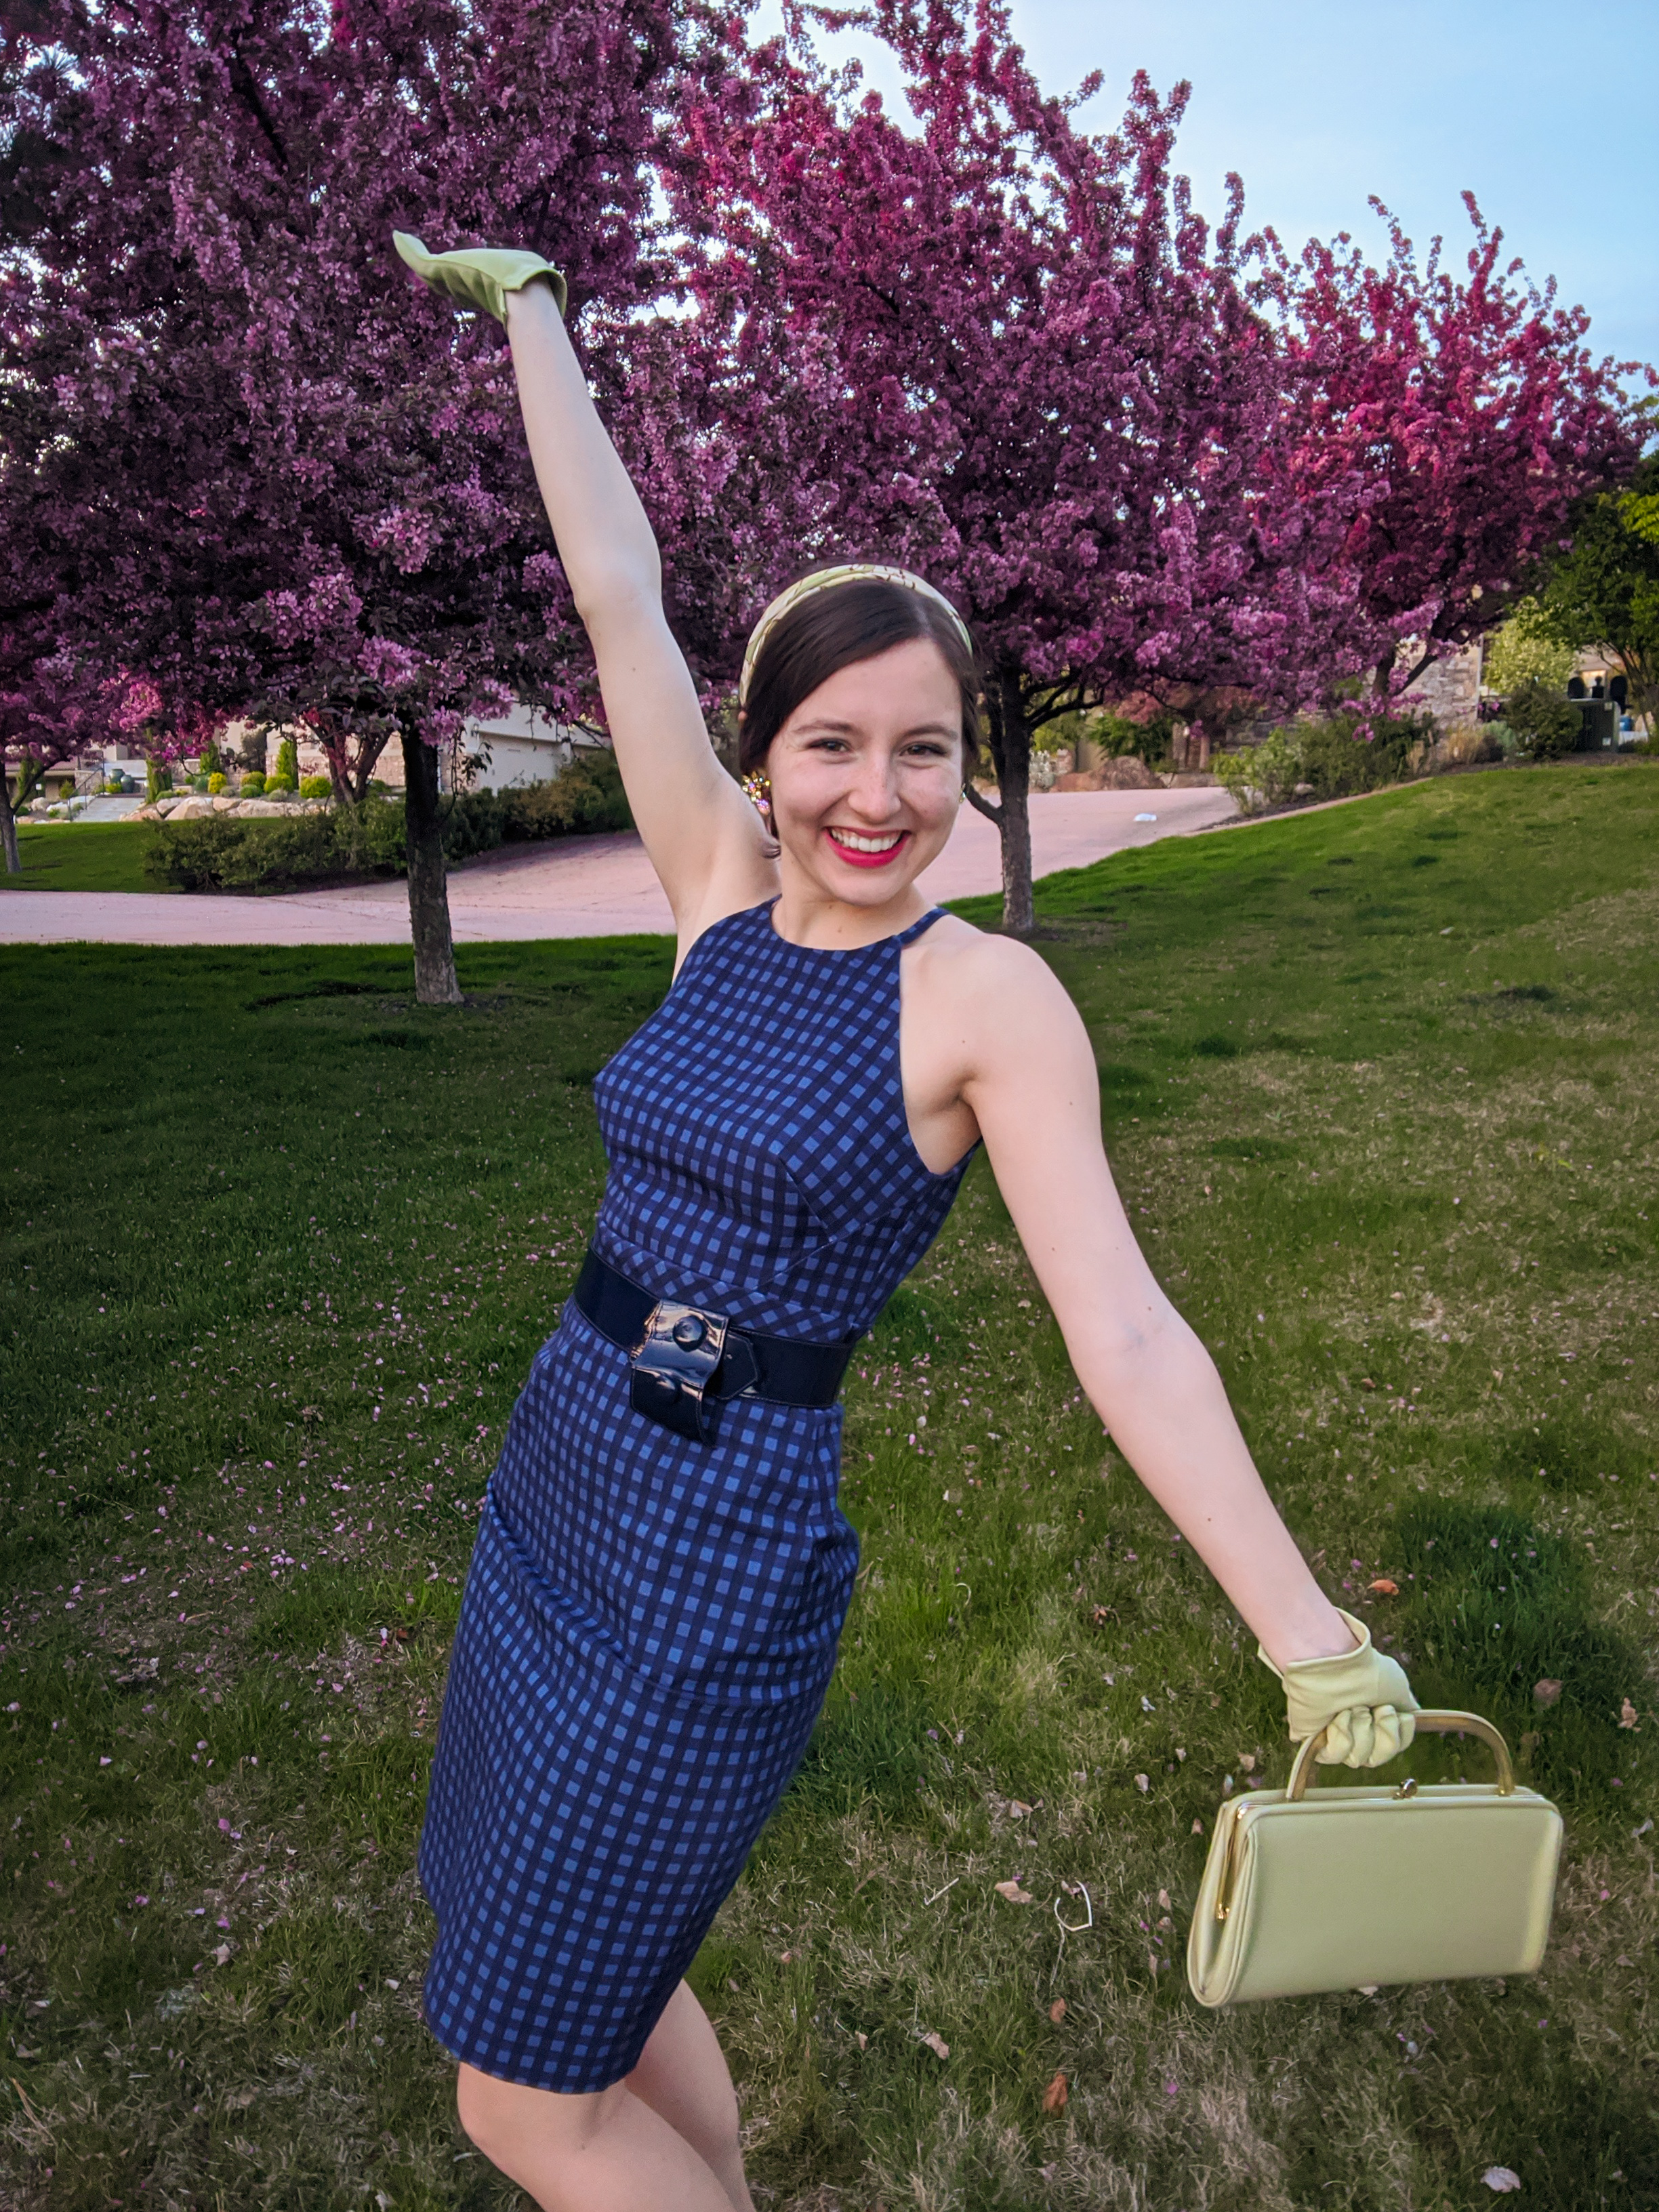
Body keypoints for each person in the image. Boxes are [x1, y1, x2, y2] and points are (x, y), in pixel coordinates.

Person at [394, 234, 1420, 2212]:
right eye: (832, 744)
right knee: (572, 1997)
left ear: (967, 758)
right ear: (765, 756)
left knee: (515, 2104)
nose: (880, 796)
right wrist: (539, 319)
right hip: (561, 1477)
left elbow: (1122, 1328)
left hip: (721, 1547)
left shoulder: (983, 1001)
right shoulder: (712, 887)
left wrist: (1304, 1633)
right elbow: (616, 589)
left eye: (926, 748)